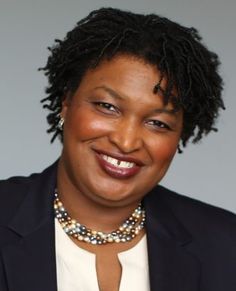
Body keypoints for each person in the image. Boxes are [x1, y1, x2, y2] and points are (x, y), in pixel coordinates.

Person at [0, 7, 235, 291]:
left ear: (179, 136)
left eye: (157, 123)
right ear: (66, 103)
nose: (126, 142)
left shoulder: (225, 246)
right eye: (107, 107)